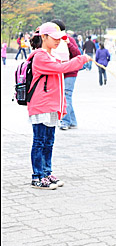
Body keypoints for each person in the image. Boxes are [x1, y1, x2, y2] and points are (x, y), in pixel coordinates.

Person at [26, 22, 90, 189]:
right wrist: (81, 59)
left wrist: (77, 55)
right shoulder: (39, 56)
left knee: (49, 142)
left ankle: (47, 173)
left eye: (59, 38)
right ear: (44, 37)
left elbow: (66, 63)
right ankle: (37, 177)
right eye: (54, 38)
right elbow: (62, 68)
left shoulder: (51, 55)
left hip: (51, 106)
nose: (57, 41)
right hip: (41, 105)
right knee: (39, 141)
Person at [50, 19, 82, 131]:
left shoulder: (68, 39)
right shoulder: (55, 40)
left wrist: (69, 44)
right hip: (60, 71)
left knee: (66, 96)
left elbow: (78, 54)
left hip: (70, 72)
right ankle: (72, 121)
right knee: (65, 96)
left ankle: (65, 121)